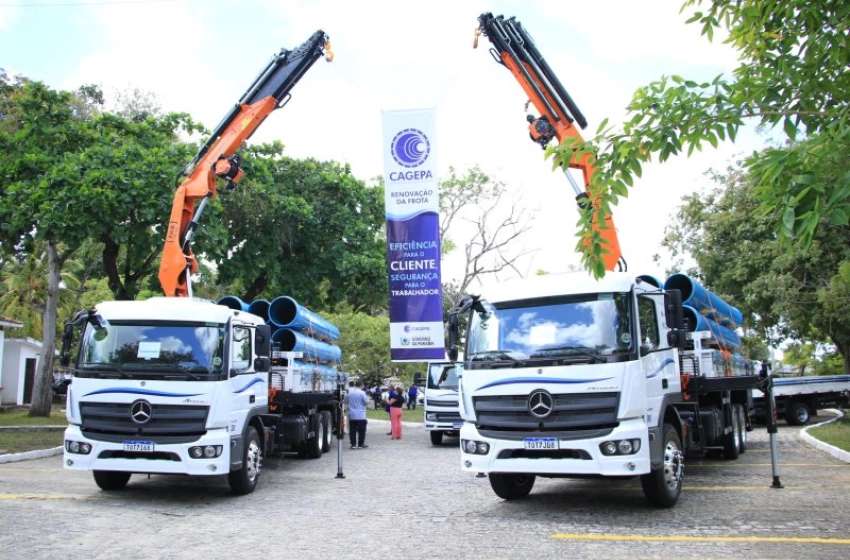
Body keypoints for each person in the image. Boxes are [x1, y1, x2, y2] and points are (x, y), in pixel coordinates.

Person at [344, 380, 370, 449]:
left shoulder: (349, 393)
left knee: (352, 430)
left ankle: (353, 444)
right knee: (362, 430)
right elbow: (366, 402)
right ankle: (361, 443)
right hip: (361, 414)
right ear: (361, 385)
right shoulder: (362, 393)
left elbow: (345, 401)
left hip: (352, 414)